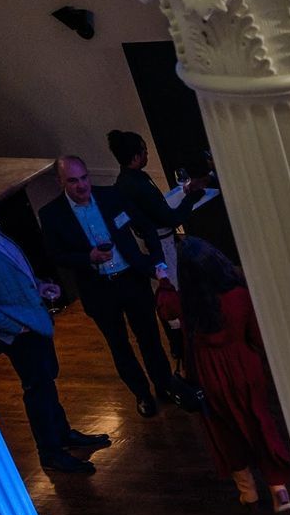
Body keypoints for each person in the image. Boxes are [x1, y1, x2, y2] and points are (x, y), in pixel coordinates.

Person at [154, 237, 290, 511]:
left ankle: (248, 492)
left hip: (208, 375)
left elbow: (166, 309)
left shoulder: (187, 303)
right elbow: (256, 336)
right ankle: (279, 491)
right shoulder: (238, 296)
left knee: (224, 432)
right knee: (260, 424)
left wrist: (163, 282)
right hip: (244, 367)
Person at [38, 155, 186, 418]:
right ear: (61, 181)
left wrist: (156, 261)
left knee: (150, 337)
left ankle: (164, 386)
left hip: (131, 278)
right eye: (73, 181)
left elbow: (144, 226)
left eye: (84, 178)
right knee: (119, 346)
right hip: (99, 289)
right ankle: (141, 394)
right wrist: (88, 258)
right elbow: (55, 256)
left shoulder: (111, 196)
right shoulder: (52, 214)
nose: (82, 186)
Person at [0, 180, 107, 473]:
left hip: (33, 321)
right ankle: (50, 451)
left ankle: (62, 434)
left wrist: (40, 286)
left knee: (46, 384)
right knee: (38, 390)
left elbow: (14, 277)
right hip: (20, 332)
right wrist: (14, 325)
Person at [105, 130, 184, 268]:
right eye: (144, 150)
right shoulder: (138, 184)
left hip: (149, 239)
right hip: (160, 241)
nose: (147, 153)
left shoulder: (125, 180)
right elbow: (168, 218)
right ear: (136, 157)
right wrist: (190, 200)